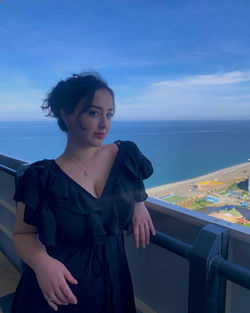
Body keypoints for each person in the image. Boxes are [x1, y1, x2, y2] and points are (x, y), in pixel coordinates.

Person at [11, 72, 155, 313]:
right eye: (93, 113)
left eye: (109, 114)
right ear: (66, 115)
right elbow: (22, 234)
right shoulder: (40, 178)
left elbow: (133, 178)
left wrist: (139, 203)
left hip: (115, 282)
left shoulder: (125, 155)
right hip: (60, 290)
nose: (104, 124)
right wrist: (42, 263)